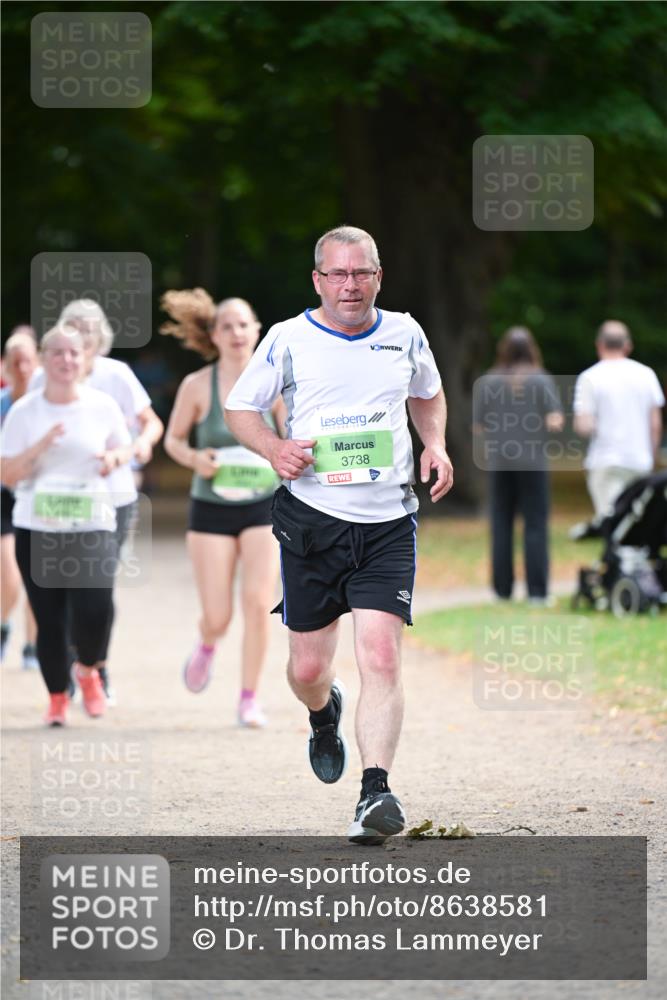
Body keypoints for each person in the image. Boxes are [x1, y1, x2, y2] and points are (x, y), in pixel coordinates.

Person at [225, 225, 453, 843]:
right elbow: (240, 409)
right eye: (337, 274)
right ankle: (324, 712)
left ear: (378, 276)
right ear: (318, 280)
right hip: (312, 523)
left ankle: (375, 792)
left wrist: (433, 444)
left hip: (387, 522)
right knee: (306, 668)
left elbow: (427, 394)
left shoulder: (404, 332)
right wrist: (274, 448)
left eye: (361, 273)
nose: (350, 285)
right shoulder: (288, 339)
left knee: (379, 654)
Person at [29, 299, 164, 704]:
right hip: (58, 498)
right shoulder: (43, 378)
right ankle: (70, 669)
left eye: (89, 328)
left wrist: (138, 446)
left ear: (100, 336)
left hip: (113, 496)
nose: (81, 335)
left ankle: (95, 665)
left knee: (97, 587)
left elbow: (150, 422)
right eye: (73, 327)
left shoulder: (116, 374)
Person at [162, 290, 285, 727]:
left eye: (243, 324)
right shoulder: (198, 385)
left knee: (257, 602)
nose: (236, 332)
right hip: (211, 509)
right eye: (227, 325)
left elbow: (290, 438)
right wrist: (196, 459)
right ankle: (208, 642)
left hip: (262, 507)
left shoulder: (274, 382)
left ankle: (248, 697)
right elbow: (172, 441)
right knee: (219, 614)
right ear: (214, 334)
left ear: (257, 330)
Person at [1, 325, 132, 726]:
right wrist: (40, 446)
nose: (66, 360)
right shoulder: (25, 411)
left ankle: (88, 670)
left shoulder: (101, 405)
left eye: (74, 353)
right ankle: (57, 696)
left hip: (91, 521)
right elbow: (7, 474)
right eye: (56, 352)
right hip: (37, 527)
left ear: (84, 360)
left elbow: (124, 447)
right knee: (50, 617)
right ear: (44, 358)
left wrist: (113, 460)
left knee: (96, 610)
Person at [473, 326, 564, 604]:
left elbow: (477, 427)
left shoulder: (488, 381)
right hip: (533, 461)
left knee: (501, 524)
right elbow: (555, 421)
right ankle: (537, 592)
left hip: (500, 461)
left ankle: (502, 591)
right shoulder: (540, 380)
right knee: (535, 524)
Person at [573, 320, 665, 519]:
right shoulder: (646, 374)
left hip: (606, 461)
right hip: (640, 460)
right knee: (635, 524)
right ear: (627, 346)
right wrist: (652, 456)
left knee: (612, 524)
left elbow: (584, 425)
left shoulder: (589, 377)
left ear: (599, 344)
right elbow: (655, 424)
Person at [1, 331, 40, 667]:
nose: (24, 367)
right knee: (11, 575)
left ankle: (33, 644)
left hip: (41, 497)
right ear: (6, 368)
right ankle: (3, 625)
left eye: (29, 360)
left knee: (41, 576)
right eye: (16, 362)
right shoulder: (2, 405)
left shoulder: (48, 403)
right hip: (4, 498)